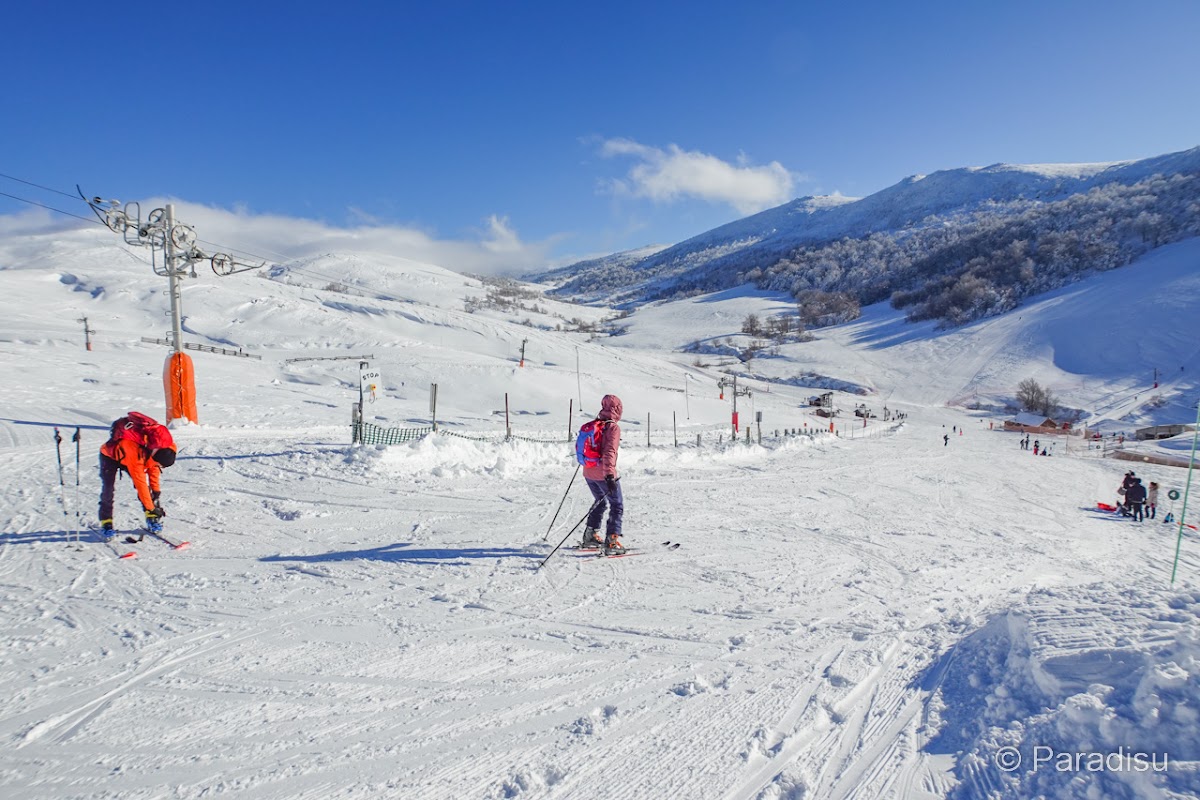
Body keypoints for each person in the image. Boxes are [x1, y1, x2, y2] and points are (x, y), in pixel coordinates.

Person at [98, 412, 177, 536]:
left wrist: (156, 492)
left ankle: (151, 517)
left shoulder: (164, 446)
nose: (159, 467)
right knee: (108, 489)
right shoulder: (136, 452)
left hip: (133, 456)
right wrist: (152, 507)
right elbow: (140, 483)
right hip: (110, 457)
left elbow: (153, 469)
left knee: (149, 491)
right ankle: (106, 522)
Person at [579, 394, 625, 554]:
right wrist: (610, 476)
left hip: (588, 471)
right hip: (603, 473)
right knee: (617, 505)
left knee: (600, 501)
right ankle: (612, 541)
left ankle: (590, 535)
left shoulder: (595, 424)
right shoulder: (612, 428)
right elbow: (609, 452)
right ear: (617, 410)